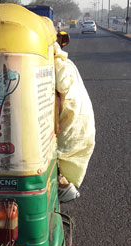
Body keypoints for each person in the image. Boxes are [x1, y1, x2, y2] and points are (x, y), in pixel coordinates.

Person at [53, 41, 96, 203]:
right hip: (83, 125)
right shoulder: (66, 62)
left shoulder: (56, 65)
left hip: (73, 125)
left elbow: (62, 86)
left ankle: (62, 185)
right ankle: (64, 185)